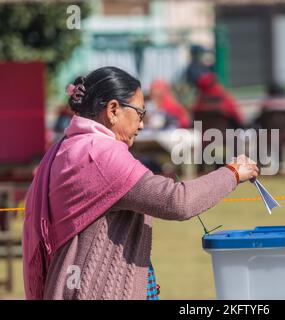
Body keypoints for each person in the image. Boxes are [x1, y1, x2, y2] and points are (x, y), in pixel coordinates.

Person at [22, 66, 259, 300]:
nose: (142, 124)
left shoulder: (66, 146)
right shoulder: (100, 154)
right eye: (140, 113)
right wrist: (233, 172)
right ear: (113, 110)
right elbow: (177, 201)